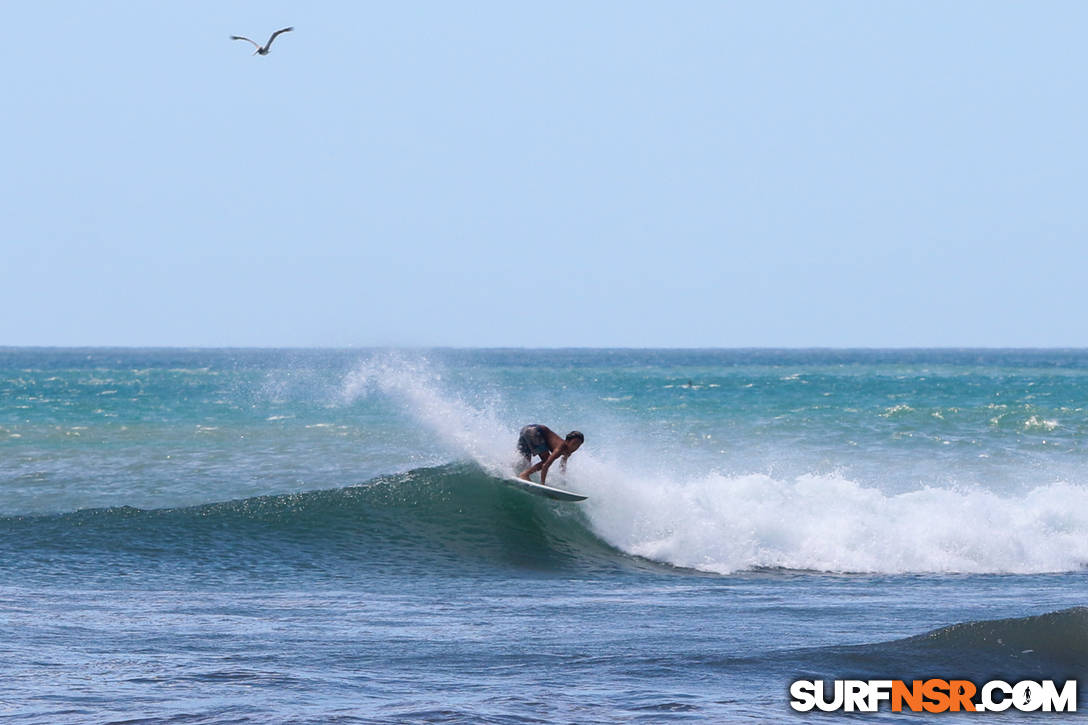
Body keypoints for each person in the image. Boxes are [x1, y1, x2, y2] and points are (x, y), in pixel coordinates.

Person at [516, 424, 584, 484]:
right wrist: (542, 484)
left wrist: (562, 479)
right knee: (546, 459)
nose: (575, 447)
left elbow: (562, 465)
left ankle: (514, 472)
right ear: (567, 441)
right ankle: (524, 475)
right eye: (574, 444)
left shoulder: (568, 451)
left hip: (526, 430)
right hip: (534, 431)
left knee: (525, 462)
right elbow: (545, 465)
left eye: (578, 445)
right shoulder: (560, 448)